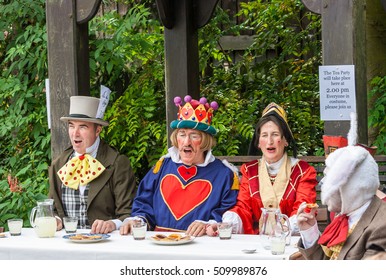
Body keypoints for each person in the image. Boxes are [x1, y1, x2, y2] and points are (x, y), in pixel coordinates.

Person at [119, 95, 239, 237]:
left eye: (194, 136)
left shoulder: (224, 174)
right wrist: (138, 220)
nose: (186, 142)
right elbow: (144, 201)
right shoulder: (162, 166)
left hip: (201, 246)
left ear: (206, 141)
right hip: (159, 243)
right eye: (182, 134)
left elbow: (228, 212)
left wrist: (209, 224)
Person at [207, 102, 317, 236]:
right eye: (264, 135)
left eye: (275, 134)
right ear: (259, 143)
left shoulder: (303, 171)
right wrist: (226, 225)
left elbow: (303, 209)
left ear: (286, 140)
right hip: (257, 243)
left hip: (290, 242)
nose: (269, 141)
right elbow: (243, 207)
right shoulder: (249, 170)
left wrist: (283, 231)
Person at [296, 113, 386, 260]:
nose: (323, 184)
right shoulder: (349, 213)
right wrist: (309, 231)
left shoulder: (382, 225)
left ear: (349, 186)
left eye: (331, 179)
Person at [48, 95, 137, 234]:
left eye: (82, 127)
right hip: (68, 246)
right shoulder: (58, 164)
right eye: (72, 126)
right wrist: (56, 219)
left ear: (98, 130)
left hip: (106, 245)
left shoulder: (118, 163)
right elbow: (53, 210)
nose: (75, 134)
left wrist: (112, 224)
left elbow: (128, 214)